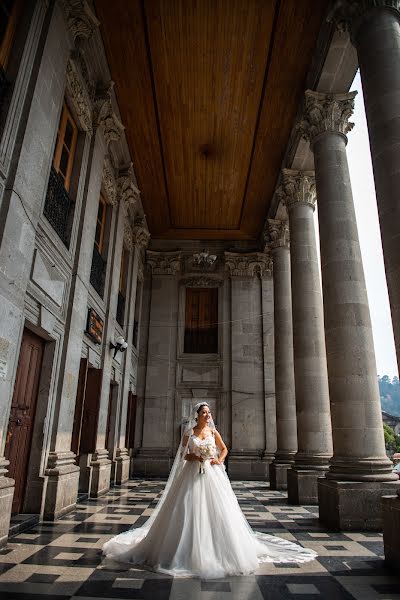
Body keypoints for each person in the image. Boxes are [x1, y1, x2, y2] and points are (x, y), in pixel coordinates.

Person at [102, 402, 317, 579]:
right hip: (192, 473)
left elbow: (224, 449)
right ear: (197, 415)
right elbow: (183, 455)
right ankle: (182, 551)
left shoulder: (213, 431)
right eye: (204, 412)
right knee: (188, 507)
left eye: (208, 412)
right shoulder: (190, 432)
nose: (207, 415)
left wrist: (217, 460)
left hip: (212, 474)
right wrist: (195, 457)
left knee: (219, 509)